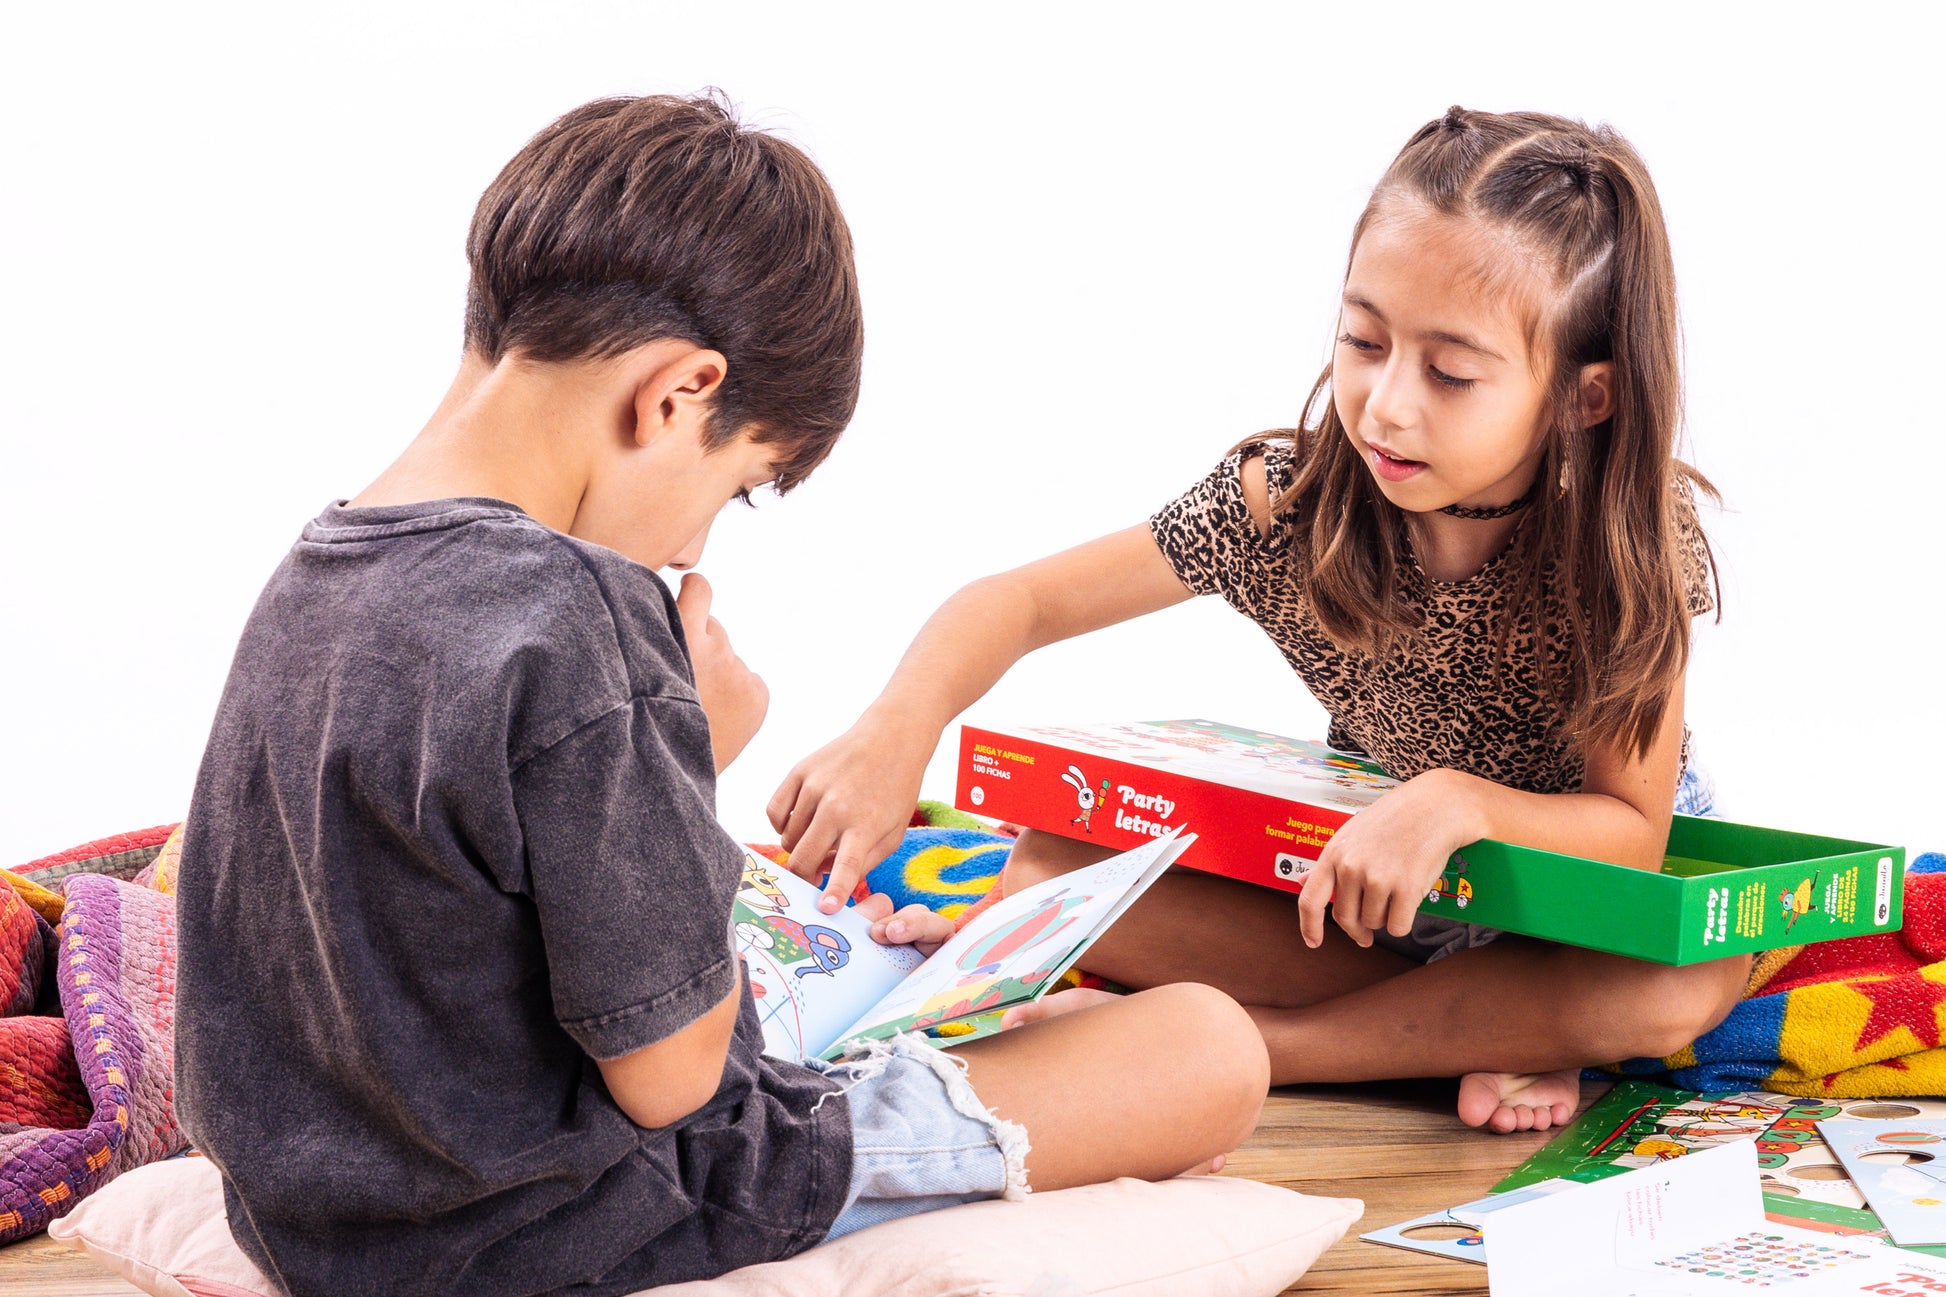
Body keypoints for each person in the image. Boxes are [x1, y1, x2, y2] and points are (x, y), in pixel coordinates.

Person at [173, 93, 1268, 1297]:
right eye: (740, 485)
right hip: (563, 1223)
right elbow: (672, 1078)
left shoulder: (314, 570)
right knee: (1204, 1045)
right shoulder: (582, 613)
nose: (696, 543)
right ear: (679, 394)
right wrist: (683, 749)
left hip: (308, 1223)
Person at [768, 106, 1744, 1137]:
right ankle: (1476, 1030)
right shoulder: (1286, 502)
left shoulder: (1623, 542)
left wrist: (1460, 801)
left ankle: (1267, 1047)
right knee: (1049, 866)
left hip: (1570, 907)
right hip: (1383, 902)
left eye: (1450, 373)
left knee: (1677, 983)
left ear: (1584, 399)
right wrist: (898, 727)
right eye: (1363, 340)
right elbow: (1022, 600)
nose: (1385, 404)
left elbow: (1631, 834)